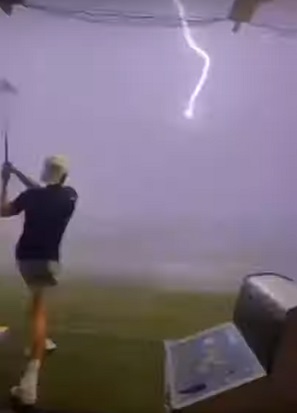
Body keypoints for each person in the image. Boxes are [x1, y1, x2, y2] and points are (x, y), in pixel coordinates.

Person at [0, 155, 78, 405]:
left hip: (27, 260)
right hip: (50, 262)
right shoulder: (69, 196)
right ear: (64, 176)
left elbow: (3, 211)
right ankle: (40, 341)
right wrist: (17, 173)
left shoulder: (31, 198)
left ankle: (28, 386)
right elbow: (45, 192)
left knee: (37, 310)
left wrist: (4, 181)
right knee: (37, 307)